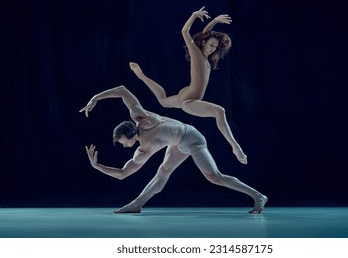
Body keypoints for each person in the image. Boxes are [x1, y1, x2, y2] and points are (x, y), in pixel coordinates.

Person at [79, 83, 267, 214]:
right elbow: (123, 173)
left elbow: (122, 90)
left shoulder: (144, 119)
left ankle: (258, 196)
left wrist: (95, 98)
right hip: (177, 143)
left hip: (192, 138)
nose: (123, 145)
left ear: (132, 135)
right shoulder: (142, 151)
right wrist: (98, 167)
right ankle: (136, 205)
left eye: (122, 142)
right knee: (163, 171)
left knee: (214, 177)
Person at [130, 6, 248, 164]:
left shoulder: (205, 56)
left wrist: (214, 21)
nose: (214, 49)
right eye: (211, 45)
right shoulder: (196, 52)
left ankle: (140, 75)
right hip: (189, 101)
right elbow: (184, 32)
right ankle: (235, 146)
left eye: (216, 47)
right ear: (204, 43)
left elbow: (207, 32)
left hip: (185, 94)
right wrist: (193, 15)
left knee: (163, 101)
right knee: (220, 111)